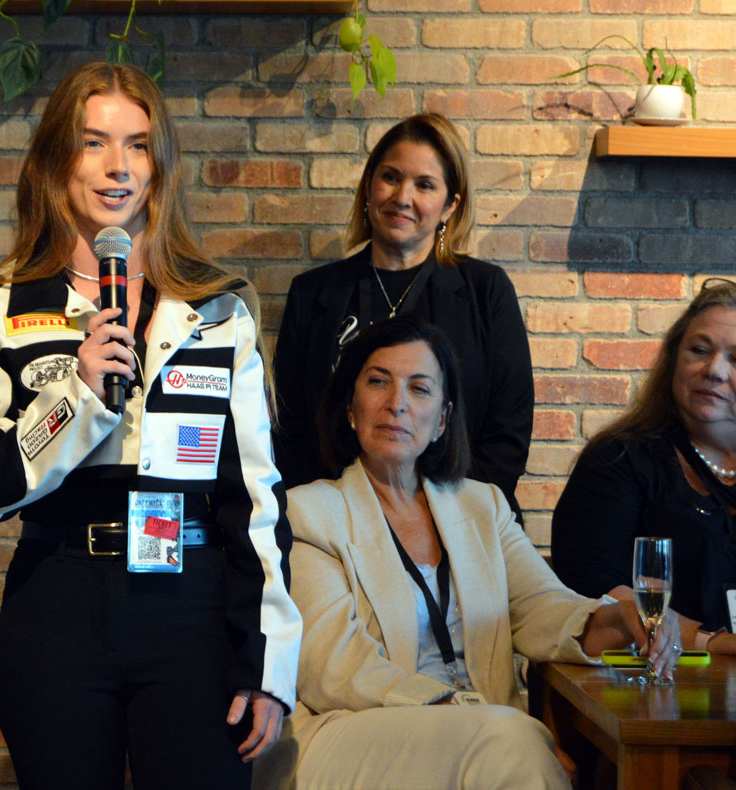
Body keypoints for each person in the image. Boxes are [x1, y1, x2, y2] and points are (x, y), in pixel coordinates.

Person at [0, 61, 300, 789]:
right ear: (54, 161)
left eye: (136, 145)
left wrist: (268, 663)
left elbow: (258, 503)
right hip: (60, 601)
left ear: (160, 165)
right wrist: (76, 395)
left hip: (190, 609)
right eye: (93, 142)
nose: (116, 167)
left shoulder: (220, 309)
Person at [255, 317, 676, 790]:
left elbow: (542, 605)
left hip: (489, 733)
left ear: (442, 419)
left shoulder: (484, 506)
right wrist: (466, 711)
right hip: (351, 735)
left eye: (419, 388)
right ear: (351, 408)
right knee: (510, 743)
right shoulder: (308, 512)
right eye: (378, 382)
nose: (397, 404)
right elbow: (335, 668)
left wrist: (615, 619)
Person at [273, 113, 532, 518]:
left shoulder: (487, 291)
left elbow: (508, 433)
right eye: (391, 177)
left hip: (461, 519)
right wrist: (331, 512)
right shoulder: (314, 293)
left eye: (424, 184)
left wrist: (436, 516)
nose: (402, 197)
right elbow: (289, 428)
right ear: (369, 186)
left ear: (450, 206)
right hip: (339, 522)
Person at [552, 278, 736, 654]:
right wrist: (715, 644)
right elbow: (594, 589)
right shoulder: (619, 459)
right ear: (673, 361)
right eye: (699, 350)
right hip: (654, 684)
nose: (715, 370)